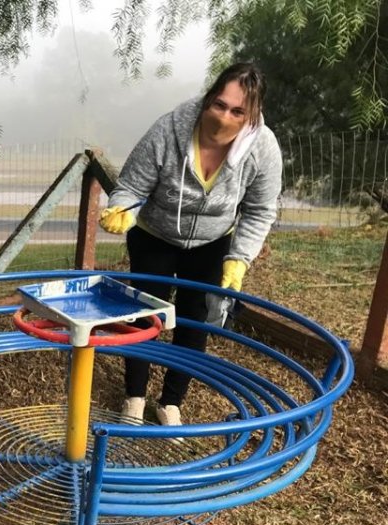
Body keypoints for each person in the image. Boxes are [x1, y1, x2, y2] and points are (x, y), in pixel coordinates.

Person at [99, 62, 282, 426]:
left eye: (237, 111)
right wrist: (122, 207)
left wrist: (239, 258)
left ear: (252, 115)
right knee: (143, 313)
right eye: (219, 104)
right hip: (155, 234)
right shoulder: (169, 130)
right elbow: (133, 185)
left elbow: (261, 210)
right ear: (208, 98)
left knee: (194, 320)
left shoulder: (263, 147)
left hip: (213, 242)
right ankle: (134, 397)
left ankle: (170, 402)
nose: (225, 116)